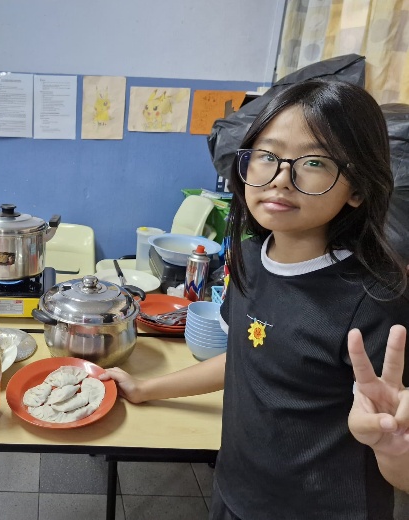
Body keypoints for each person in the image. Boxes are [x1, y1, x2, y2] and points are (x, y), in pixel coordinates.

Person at [101, 79, 409, 519]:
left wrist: (394, 450)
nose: (281, 179)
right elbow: (246, 359)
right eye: (267, 155)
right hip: (235, 491)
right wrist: (147, 388)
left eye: (315, 161)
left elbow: (394, 432)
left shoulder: (378, 301)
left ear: (357, 187)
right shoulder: (250, 256)